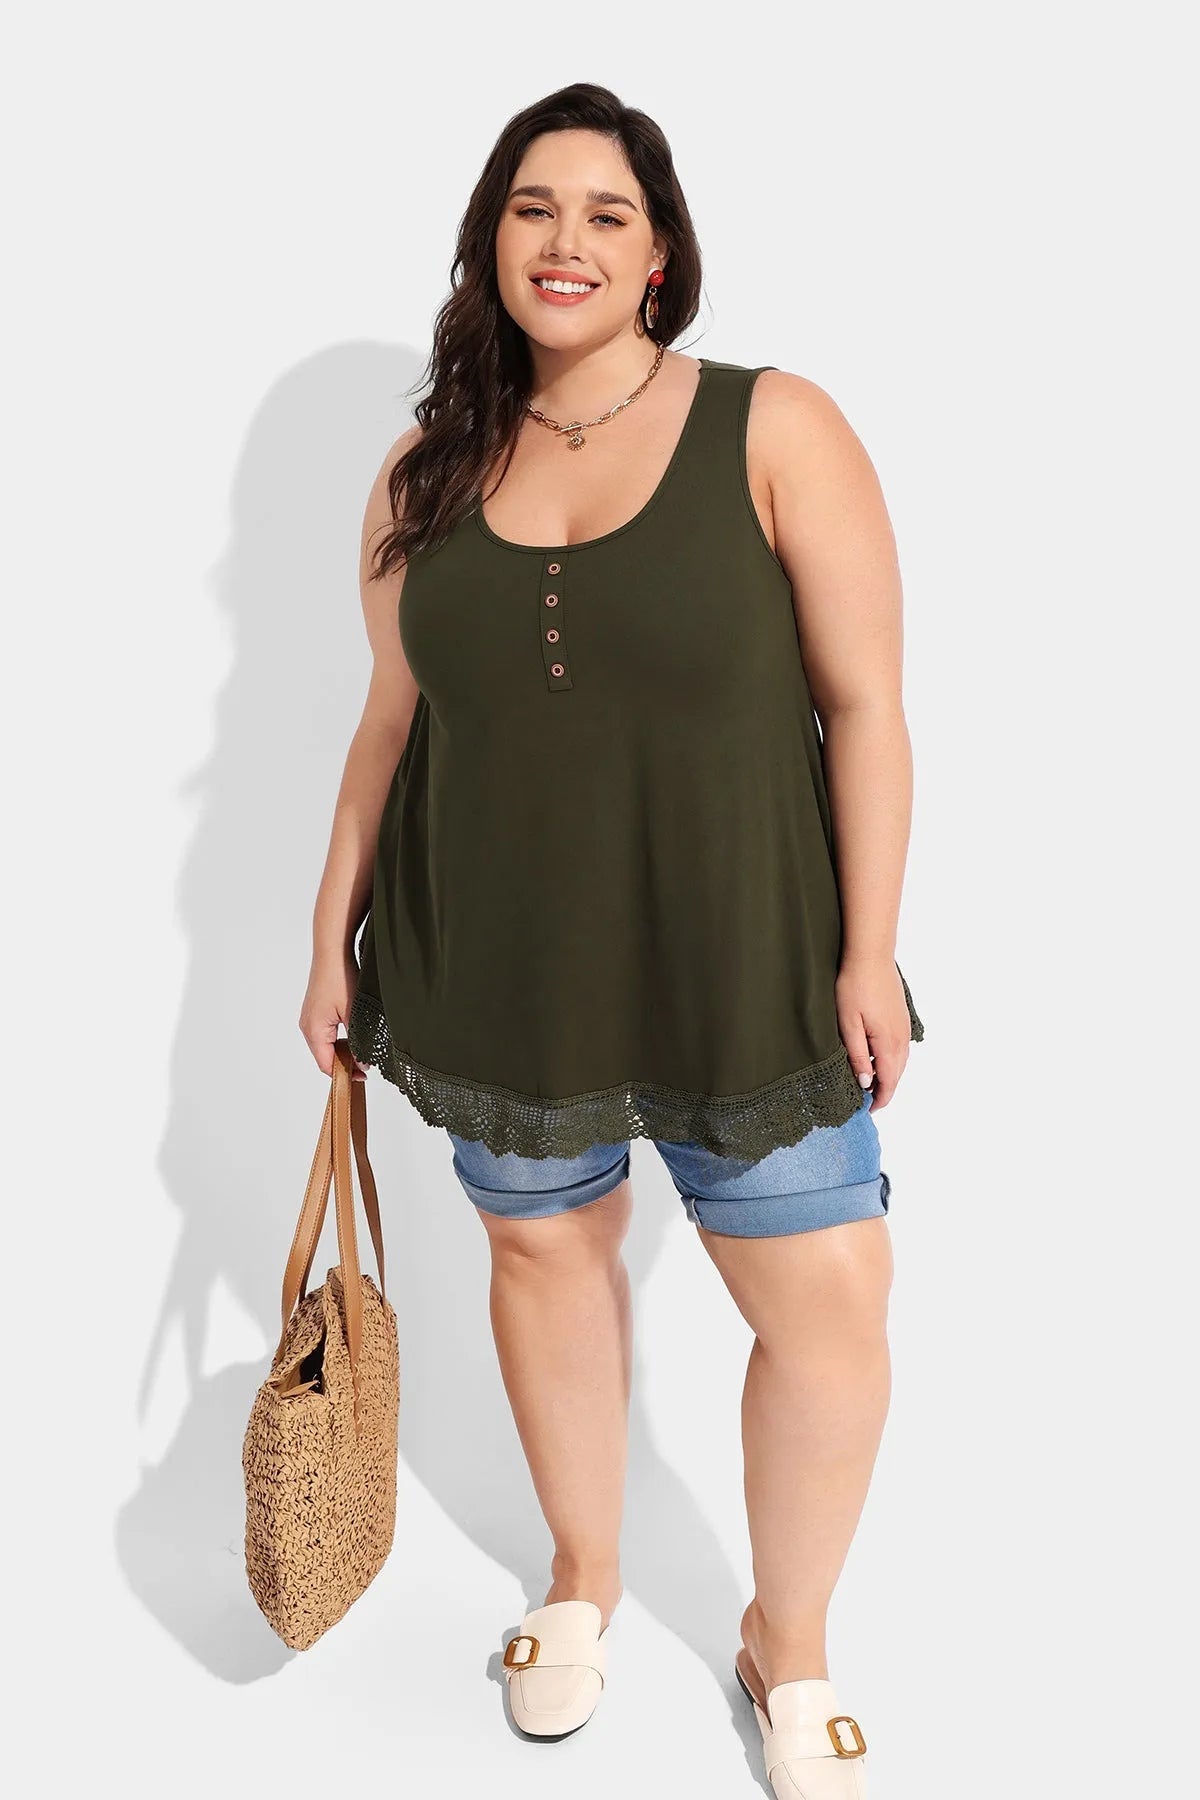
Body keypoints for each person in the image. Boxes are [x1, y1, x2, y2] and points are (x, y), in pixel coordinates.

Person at [299, 80, 923, 1794]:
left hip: (745, 950)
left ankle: (789, 1638)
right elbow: (389, 722)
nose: (563, 241)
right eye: (532, 208)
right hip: (498, 957)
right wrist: (329, 935)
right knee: (543, 1258)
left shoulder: (774, 424)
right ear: (490, 243)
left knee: (831, 1305)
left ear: (659, 256)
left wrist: (870, 950)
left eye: (605, 213)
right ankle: (582, 1579)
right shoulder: (426, 470)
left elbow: (868, 706)